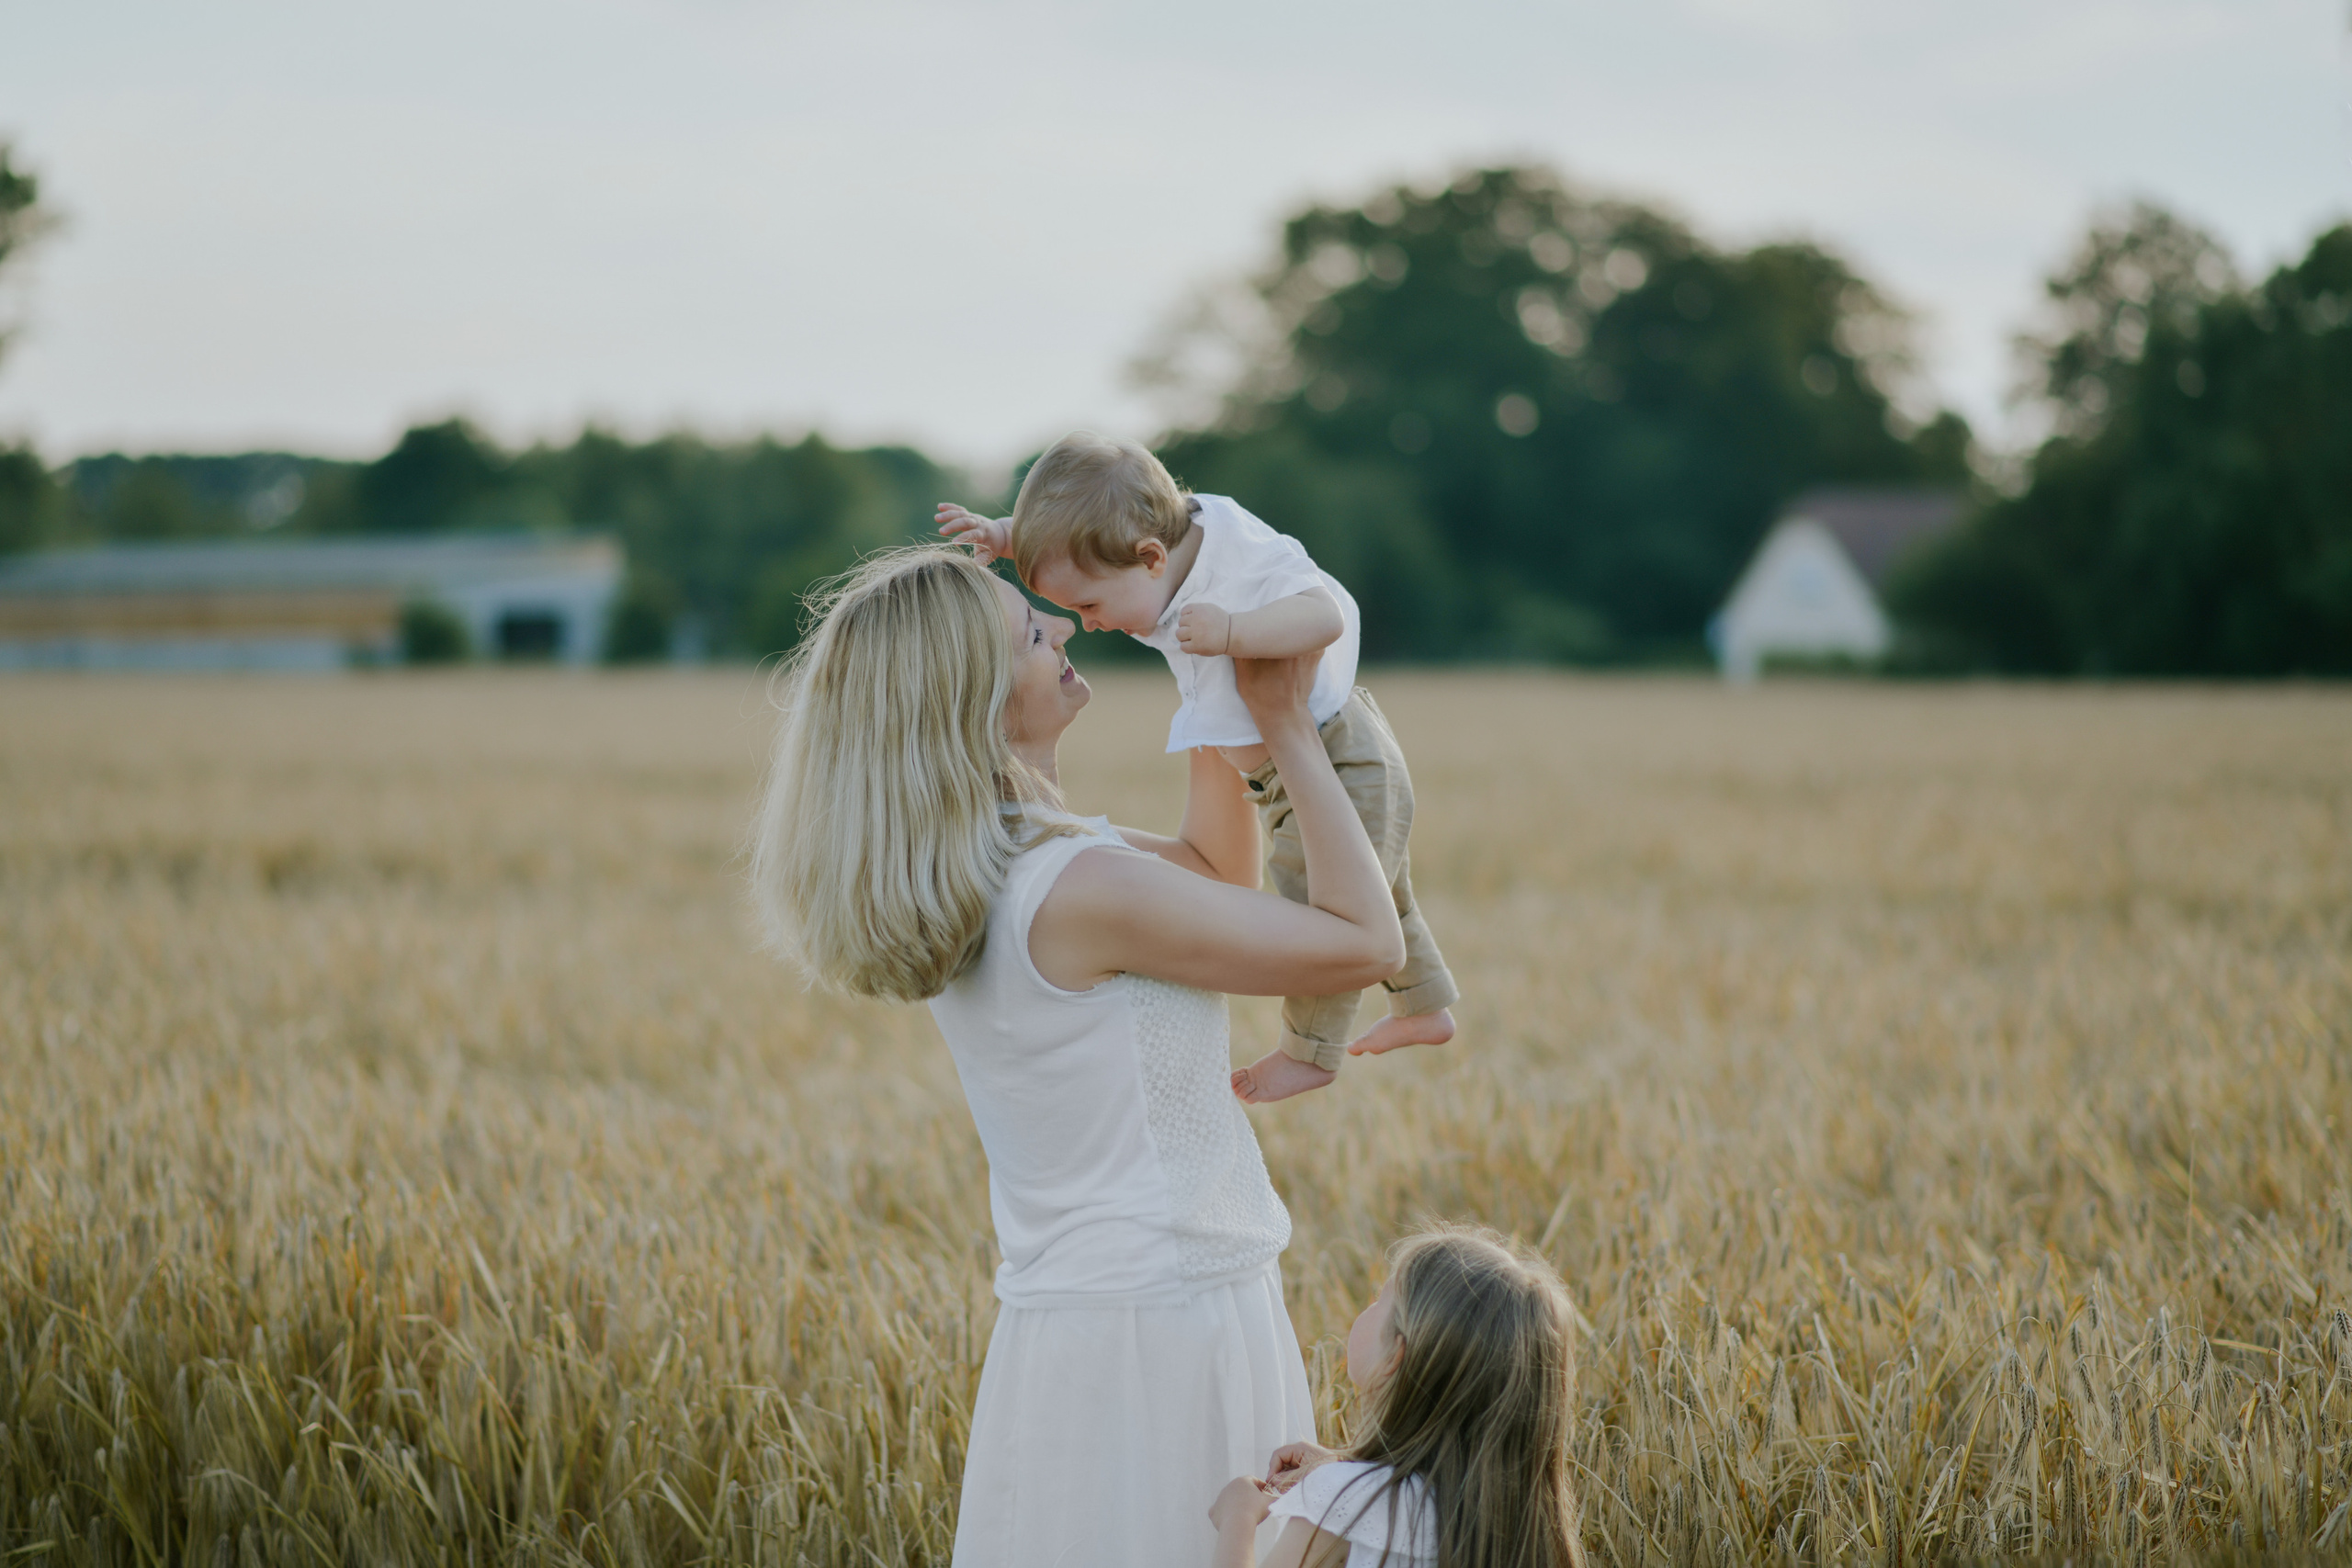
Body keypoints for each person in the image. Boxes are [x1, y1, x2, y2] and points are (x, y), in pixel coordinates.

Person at [748, 547, 1408, 1568]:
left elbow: (1212, 874)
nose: (1059, 628)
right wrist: (1282, 725)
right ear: (973, 697)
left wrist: (1206, 677)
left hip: (1088, 1328)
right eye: (1027, 632)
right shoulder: (1076, 886)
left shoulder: (1007, 861)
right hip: (1163, 1331)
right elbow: (1366, 945)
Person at [936, 432, 1460, 1105]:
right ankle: (1422, 1006)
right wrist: (1006, 535)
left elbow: (1324, 612)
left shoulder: (1232, 561)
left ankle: (1314, 1050)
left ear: (1151, 556)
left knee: (1317, 895)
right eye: (1040, 628)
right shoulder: (1142, 551)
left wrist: (1241, 642)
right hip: (1292, 761)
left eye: (1084, 607)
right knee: (1379, 893)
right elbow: (1081, 535)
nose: (1080, 627)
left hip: (1335, 754)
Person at [1206, 1227, 1589, 1568]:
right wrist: (1345, 1466)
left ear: (1396, 1355)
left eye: (1379, 1300)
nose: (1368, 1305)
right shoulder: (1513, 1515)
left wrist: (1237, 1519)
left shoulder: (1338, 1503)